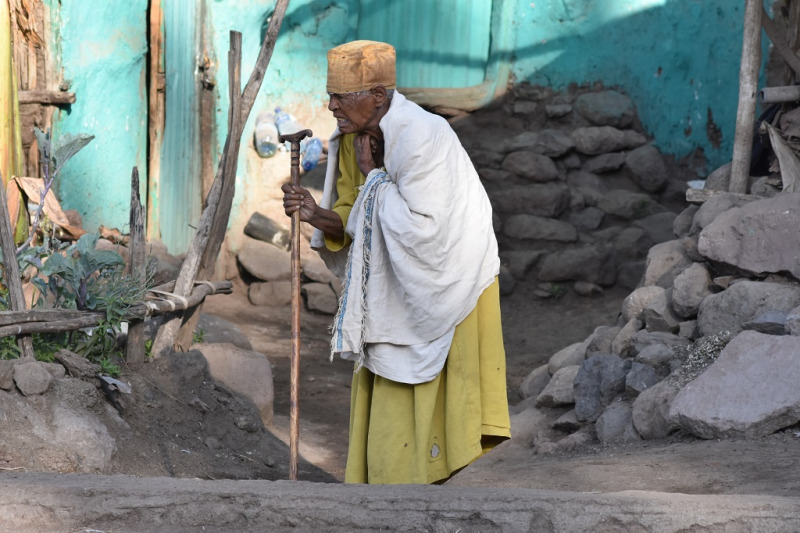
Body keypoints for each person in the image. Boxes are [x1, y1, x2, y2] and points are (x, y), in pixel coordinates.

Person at [282, 40, 510, 484]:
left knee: (435, 405)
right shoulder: (351, 140)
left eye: (341, 97)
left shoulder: (423, 136)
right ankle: (387, 491)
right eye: (330, 96)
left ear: (379, 96)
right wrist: (316, 214)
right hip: (392, 284)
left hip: (450, 279)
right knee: (387, 382)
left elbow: (423, 229)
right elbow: (354, 215)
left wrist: (374, 177)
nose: (330, 107)